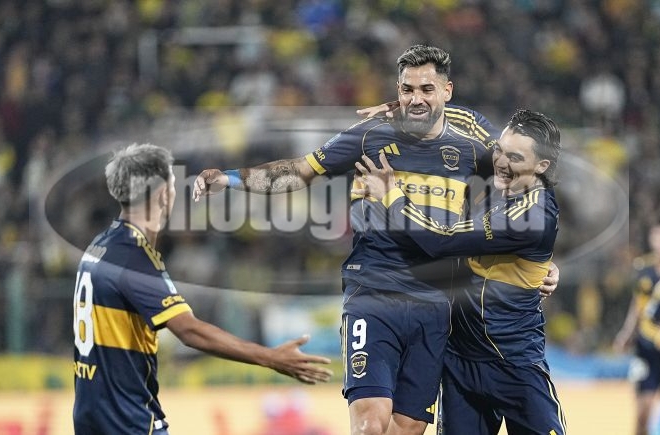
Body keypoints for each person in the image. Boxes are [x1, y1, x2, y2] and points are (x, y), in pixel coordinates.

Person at [193, 44, 558, 435]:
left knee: (409, 428)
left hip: (436, 306)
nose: (415, 98)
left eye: (426, 89)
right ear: (397, 90)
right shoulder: (369, 136)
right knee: (370, 423)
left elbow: (520, 178)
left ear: (447, 91)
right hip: (374, 292)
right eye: (407, 89)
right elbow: (299, 172)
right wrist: (229, 178)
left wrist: (538, 262)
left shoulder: (475, 144)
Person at [72, 143, 333, 434]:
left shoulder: (100, 246)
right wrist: (271, 357)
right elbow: (189, 331)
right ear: (162, 194)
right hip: (128, 420)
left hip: (92, 416)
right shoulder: (134, 256)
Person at [354, 108, 566, 434]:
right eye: (500, 150)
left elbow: (442, 240)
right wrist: (407, 104)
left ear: (542, 166)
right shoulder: (499, 181)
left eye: (515, 157)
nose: (501, 161)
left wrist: (391, 195)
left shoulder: (532, 216)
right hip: (460, 364)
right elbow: (472, 121)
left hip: (514, 366)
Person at [616, 220, 660, 435]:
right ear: (651, 239)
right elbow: (638, 306)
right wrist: (626, 333)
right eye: (658, 237)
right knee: (642, 413)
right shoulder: (643, 269)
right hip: (648, 348)